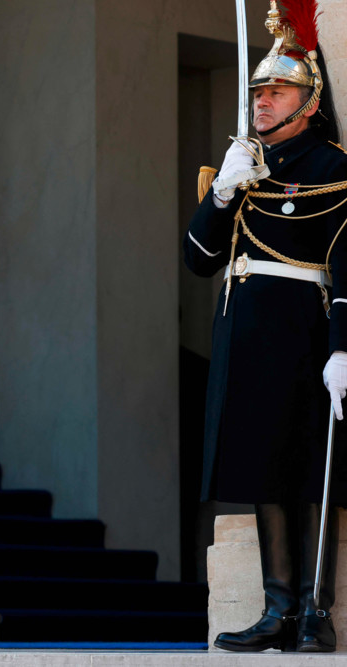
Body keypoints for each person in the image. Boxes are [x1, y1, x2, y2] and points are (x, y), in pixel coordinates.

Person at [184, 1, 347, 653]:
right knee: (260, 474)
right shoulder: (242, 166)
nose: (262, 100)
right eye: (258, 91)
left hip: (302, 334)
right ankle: (277, 607)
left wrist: (342, 347)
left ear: (308, 102)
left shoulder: (332, 170)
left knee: (308, 475)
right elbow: (198, 260)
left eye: (276, 92)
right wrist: (221, 193)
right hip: (244, 337)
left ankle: (316, 611)